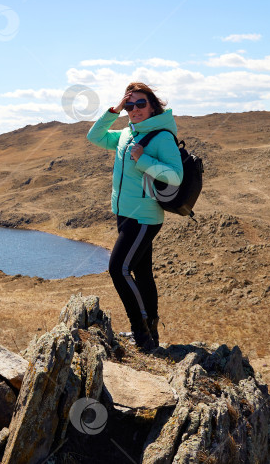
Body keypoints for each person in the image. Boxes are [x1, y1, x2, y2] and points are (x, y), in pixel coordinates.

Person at [86, 82, 183, 352]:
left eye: (141, 104)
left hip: (144, 217)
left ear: (153, 106)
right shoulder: (127, 133)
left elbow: (175, 176)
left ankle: (141, 336)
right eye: (130, 105)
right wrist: (114, 110)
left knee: (118, 269)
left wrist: (142, 159)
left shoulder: (161, 136)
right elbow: (94, 136)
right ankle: (152, 336)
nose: (135, 110)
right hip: (125, 214)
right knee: (142, 273)